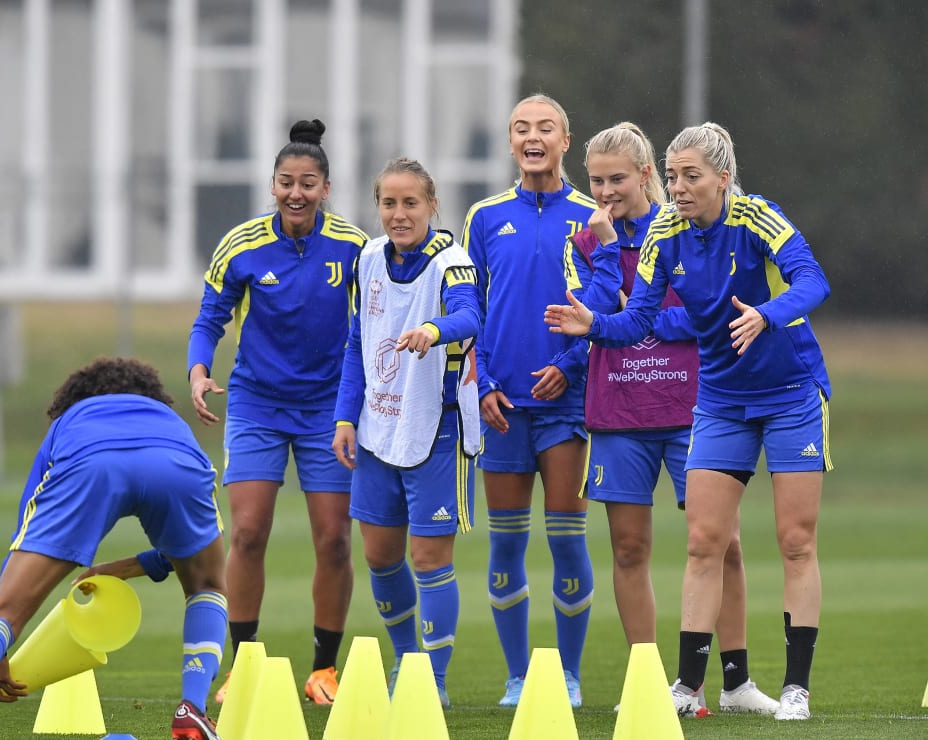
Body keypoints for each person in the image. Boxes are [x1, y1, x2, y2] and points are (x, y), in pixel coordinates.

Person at [546, 122, 831, 721]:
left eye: (690, 176)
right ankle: (687, 685)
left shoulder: (758, 218)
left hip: (789, 393)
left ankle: (796, 689)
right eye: (673, 175)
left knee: (795, 541)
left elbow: (813, 281)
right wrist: (591, 326)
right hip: (721, 400)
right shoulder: (664, 235)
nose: (678, 187)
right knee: (704, 541)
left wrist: (766, 316)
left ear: (722, 178)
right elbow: (639, 321)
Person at [0, 358, 228, 740]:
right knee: (207, 586)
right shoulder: (168, 419)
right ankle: (191, 711)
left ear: (74, 399)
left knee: (7, 611)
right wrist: (136, 565)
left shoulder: (69, 421)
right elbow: (193, 546)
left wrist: (2, 633)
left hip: (89, 465)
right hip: (175, 461)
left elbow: (23, 535)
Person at [187, 119, 368, 705]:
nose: (297, 193)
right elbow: (210, 317)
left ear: (326, 188)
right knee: (246, 532)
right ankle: (242, 665)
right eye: (287, 182)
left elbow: (378, 317)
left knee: (335, 540)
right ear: (272, 186)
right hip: (257, 405)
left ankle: (324, 670)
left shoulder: (354, 247)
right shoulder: (241, 245)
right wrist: (198, 369)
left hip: (329, 411)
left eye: (308, 183)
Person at [462, 93, 597, 707]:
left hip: (567, 406)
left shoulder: (595, 216)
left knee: (568, 537)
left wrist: (570, 368)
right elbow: (472, 310)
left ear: (566, 140)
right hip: (502, 408)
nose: (533, 136)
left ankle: (568, 676)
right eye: (521, 128)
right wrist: (483, 382)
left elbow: (610, 308)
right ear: (511, 142)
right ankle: (518, 677)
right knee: (506, 543)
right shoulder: (485, 217)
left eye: (546, 127)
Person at [331, 157, 481, 707]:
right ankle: (407, 661)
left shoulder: (452, 263)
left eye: (410, 203)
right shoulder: (368, 259)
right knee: (379, 556)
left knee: (429, 560)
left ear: (432, 205)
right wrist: (346, 417)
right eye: (389, 203)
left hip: (433, 426)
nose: (399, 214)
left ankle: (432, 684)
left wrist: (432, 329)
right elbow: (357, 343)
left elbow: (470, 317)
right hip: (375, 428)